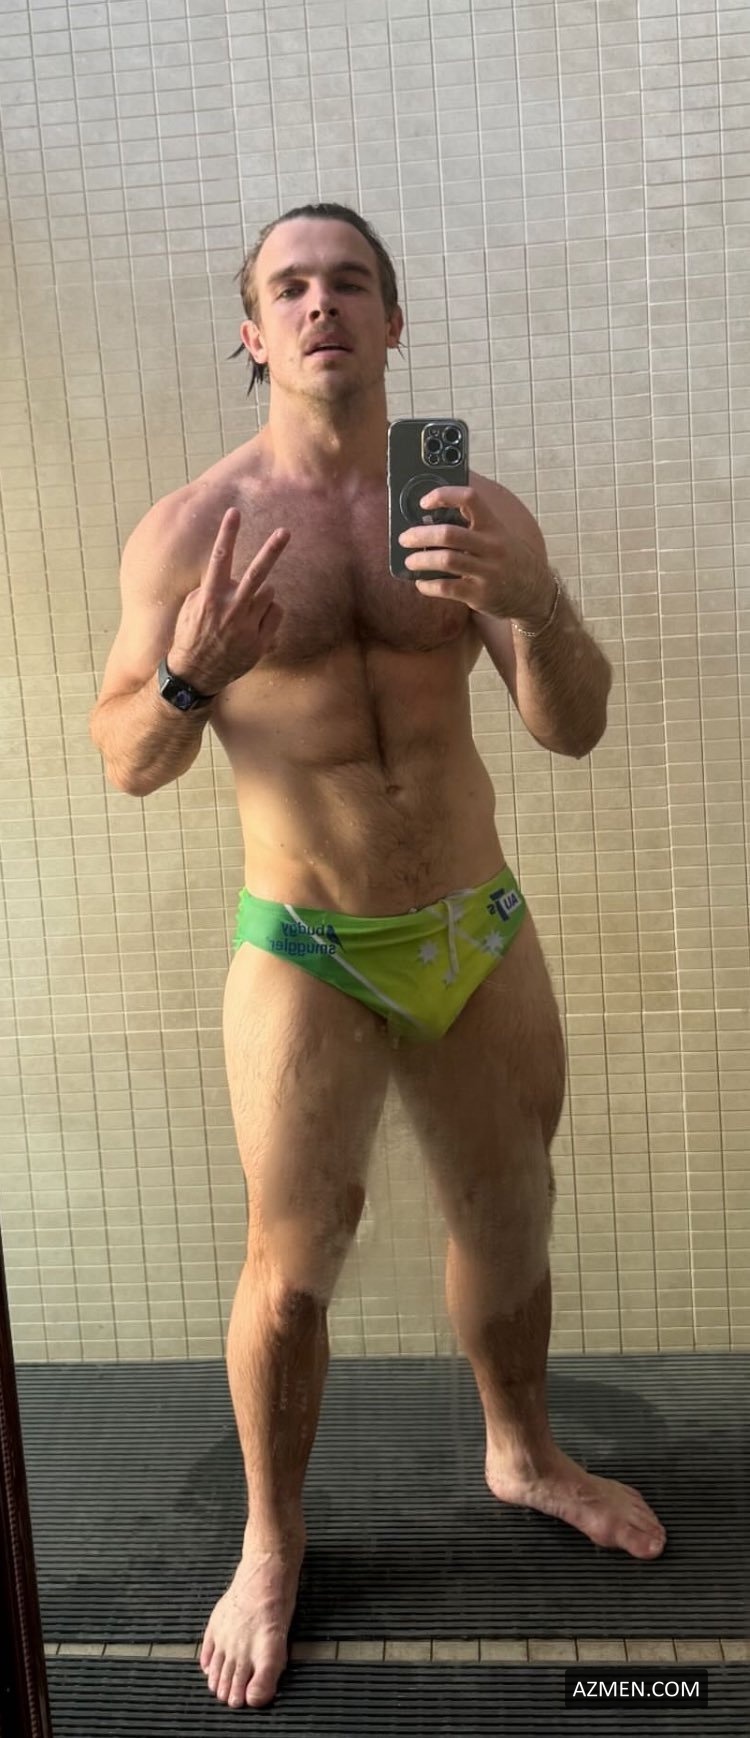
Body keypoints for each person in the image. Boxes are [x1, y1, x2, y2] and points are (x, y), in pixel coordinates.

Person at [89, 202, 666, 1714]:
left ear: (394, 322)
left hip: (476, 926)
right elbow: (127, 758)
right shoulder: (191, 532)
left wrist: (535, 605)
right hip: (306, 944)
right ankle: (271, 1541)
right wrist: (187, 677)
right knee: (293, 1269)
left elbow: (572, 726)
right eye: (289, 286)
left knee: (511, 1219)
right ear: (253, 332)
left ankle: (521, 1452)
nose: (320, 303)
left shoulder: (469, 512)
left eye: (350, 282)